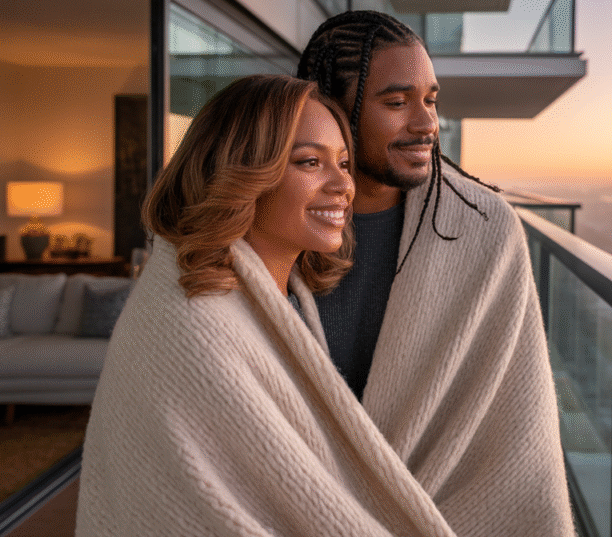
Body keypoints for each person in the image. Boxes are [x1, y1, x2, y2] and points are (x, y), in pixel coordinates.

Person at [79, 75, 469, 536]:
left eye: (344, 163)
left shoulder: (285, 298)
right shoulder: (196, 328)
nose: (342, 185)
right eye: (309, 162)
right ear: (241, 173)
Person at [297, 10, 576, 536]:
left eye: (431, 101)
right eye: (397, 102)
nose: (427, 125)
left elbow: (518, 432)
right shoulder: (268, 221)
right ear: (327, 107)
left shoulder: (483, 228)